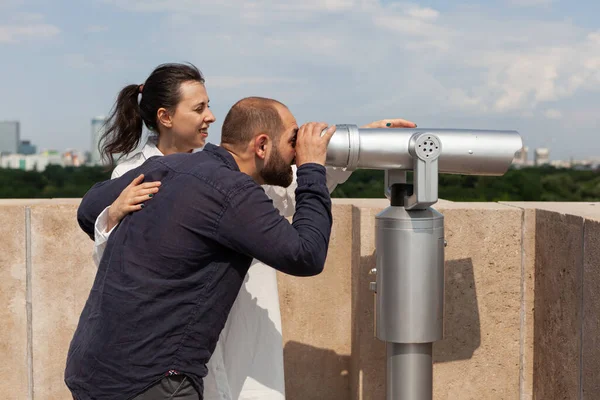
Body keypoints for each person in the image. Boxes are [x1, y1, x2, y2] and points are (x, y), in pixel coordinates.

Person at [89, 63, 417, 399]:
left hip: (240, 325)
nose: (211, 117)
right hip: (165, 345)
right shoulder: (134, 174)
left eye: (210, 105)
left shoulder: (230, 171)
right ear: (166, 117)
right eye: (199, 108)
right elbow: (117, 259)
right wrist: (111, 214)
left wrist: (362, 141)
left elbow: (289, 188)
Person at [67, 96, 338, 399]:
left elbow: (88, 208)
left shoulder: (167, 166)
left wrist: (116, 208)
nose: (296, 152)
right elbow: (306, 255)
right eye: (293, 140)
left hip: (93, 369)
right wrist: (313, 167)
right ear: (261, 145)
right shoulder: (233, 191)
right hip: (153, 382)